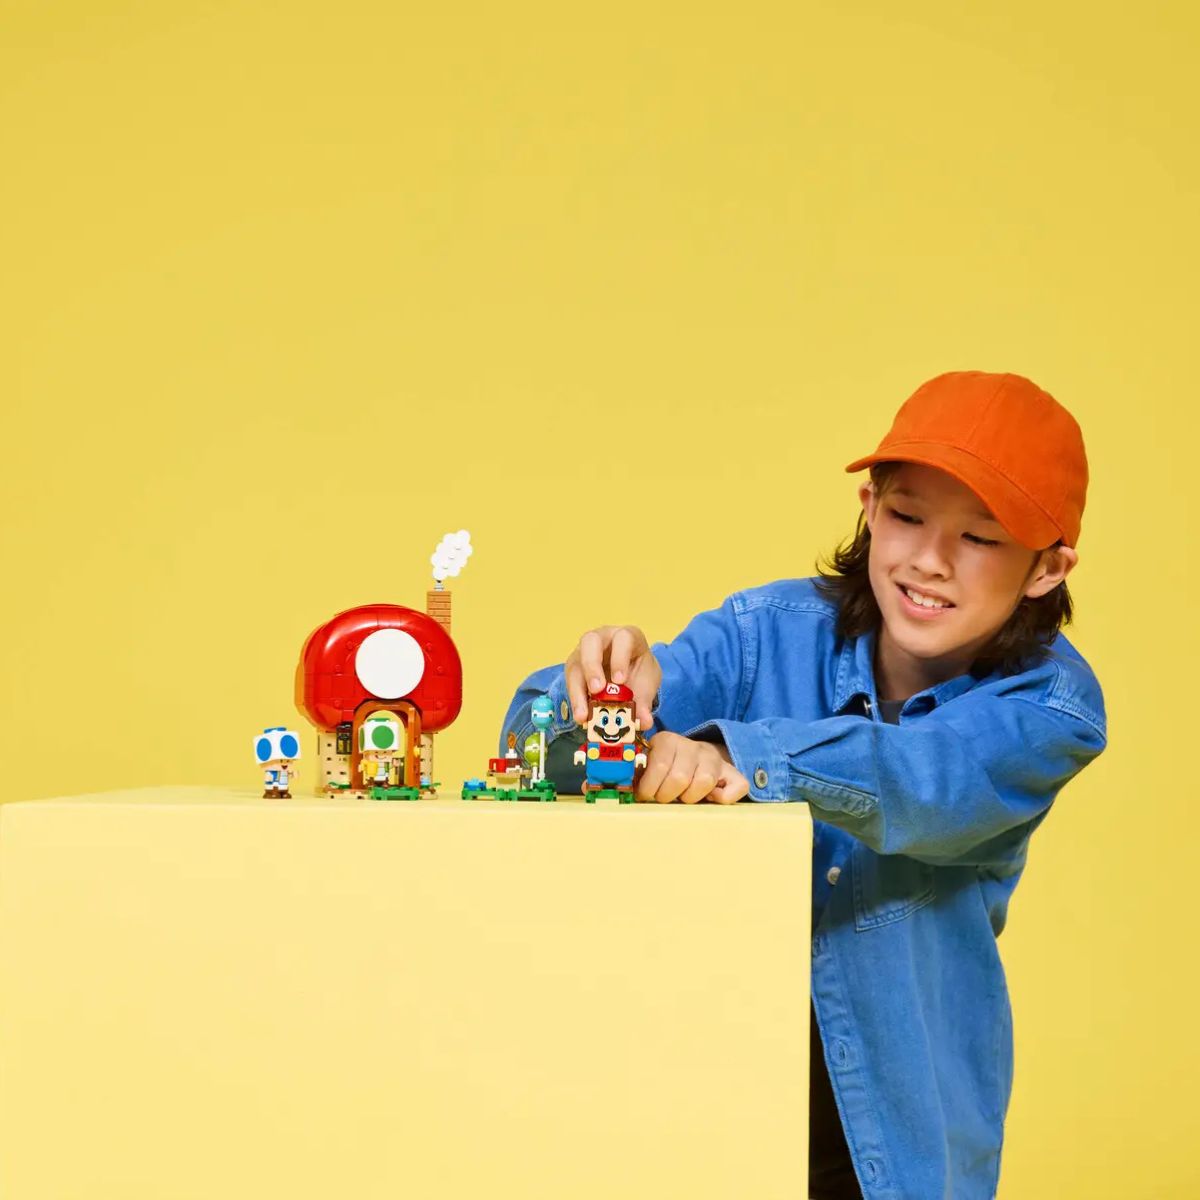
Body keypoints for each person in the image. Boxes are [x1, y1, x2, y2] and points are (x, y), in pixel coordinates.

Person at [497, 371, 1108, 1199]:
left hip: (891, 1139)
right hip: (701, 1099)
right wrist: (591, 691)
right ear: (869, 507)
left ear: (1048, 569)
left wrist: (734, 754)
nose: (929, 562)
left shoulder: (1052, 707)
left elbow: (926, 782)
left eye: (980, 538)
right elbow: (538, 744)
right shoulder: (763, 633)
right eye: (907, 517)